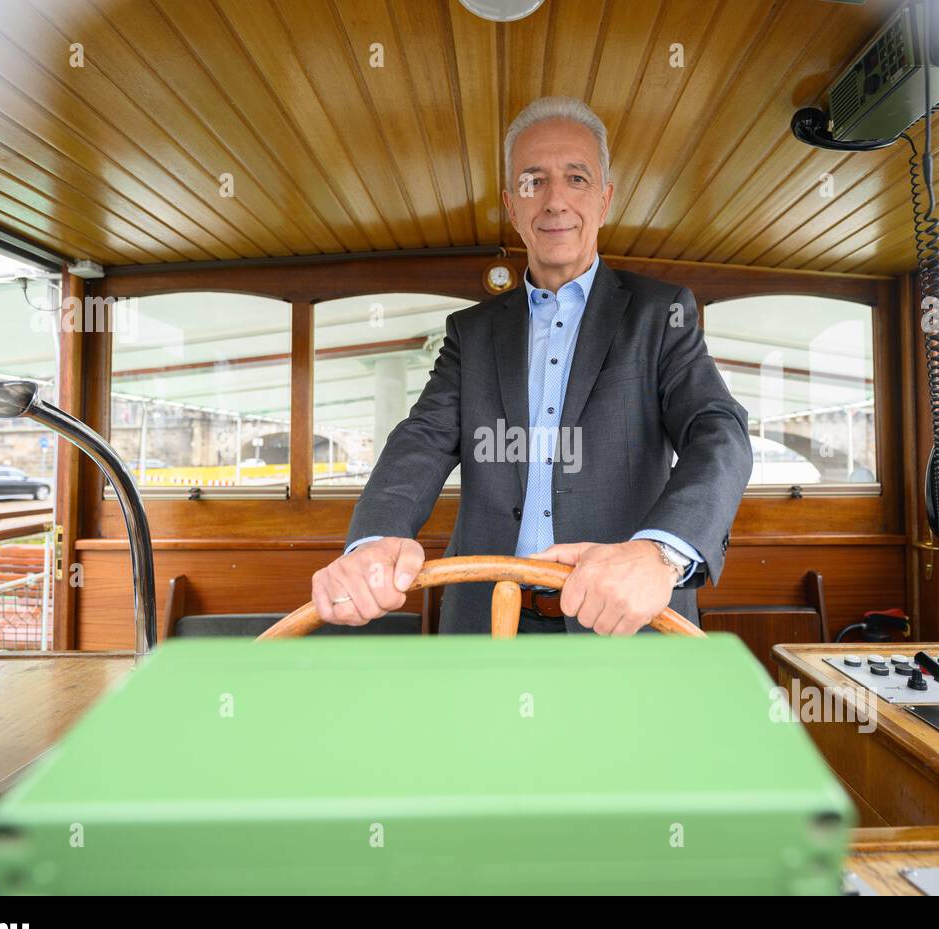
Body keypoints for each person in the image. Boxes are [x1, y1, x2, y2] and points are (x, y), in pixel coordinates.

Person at [312, 96, 752, 635]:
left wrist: (659, 553)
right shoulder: (470, 333)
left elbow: (718, 432)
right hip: (486, 620)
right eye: (532, 181)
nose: (555, 201)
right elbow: (421, 439)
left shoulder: (663, 313)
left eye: (577, 178)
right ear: (511, 205)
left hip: (626, 623)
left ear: (606, 199)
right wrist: (374, 540)